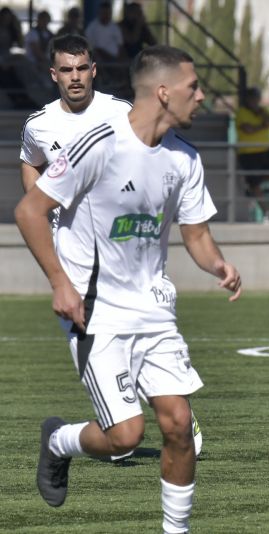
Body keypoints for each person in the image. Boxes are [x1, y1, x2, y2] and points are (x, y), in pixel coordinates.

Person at [15, 45, 241, 534]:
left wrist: (218, 264)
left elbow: (197, 234)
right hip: (94, 308)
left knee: (179, 425)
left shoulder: (184, 158)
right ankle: (59, 441)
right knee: (125, 436)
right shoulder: (98, 144)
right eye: (194, 87)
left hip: (154, 309)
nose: (202, 96)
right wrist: (60, 283)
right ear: (164, 93)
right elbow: (29, 211)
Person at [19, 34, 204, 461]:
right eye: (66, 70)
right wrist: (44, 201)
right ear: (54, 75)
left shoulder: (120, 113)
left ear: (94, 70)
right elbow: (31, 162)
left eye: (82, 68)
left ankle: (172, 406)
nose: (75, 77)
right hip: (81, 264)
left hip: (129, 256)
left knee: (144, 328)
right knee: (123, 435)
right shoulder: (39, 124)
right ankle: (112, 427)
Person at [235, 86, 269, 219]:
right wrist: (262, 125)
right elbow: (248, 129)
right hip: (249, 152)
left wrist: (261, 115)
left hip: (265, 150)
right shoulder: (242, 112)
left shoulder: (263, 111)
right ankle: (265, 210)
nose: (255, 101)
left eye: (257, 99)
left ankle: (253, 187)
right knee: (254, 182)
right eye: (253, 98)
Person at [24, 10, 54, 75]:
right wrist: (48, 62)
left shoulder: (50, 34)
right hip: (33, 63)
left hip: (45, 62)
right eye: (43, 20)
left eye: (46, 20)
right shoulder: (32, 33)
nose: (44, 22)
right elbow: (36, 52)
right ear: (38, 20)